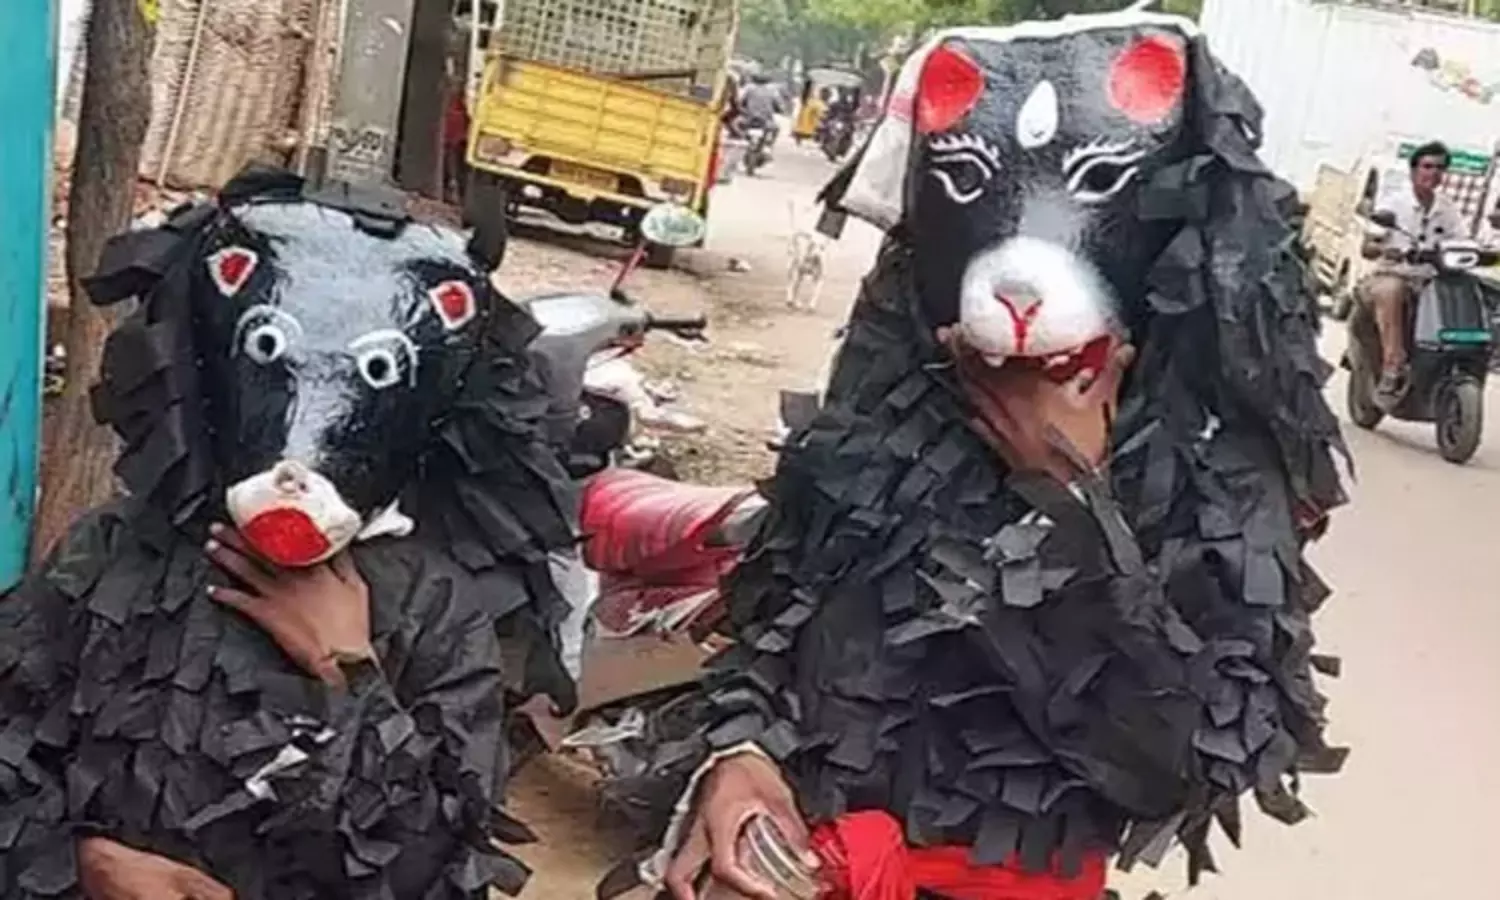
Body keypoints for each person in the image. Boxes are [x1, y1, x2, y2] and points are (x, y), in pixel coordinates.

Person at [598, 14, 1347, 900]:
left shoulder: (1217, 471)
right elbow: (778, 617)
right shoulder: (889, 409)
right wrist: (741, 754)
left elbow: (1171, 767)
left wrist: (1074, 502)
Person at [0, 167, 578, 899]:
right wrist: (85, 864)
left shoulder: (437, 609)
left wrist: (349, 670)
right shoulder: (110, 554)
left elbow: (433, 867)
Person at [1360, 141, 1466, 406]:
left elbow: (1461, 240)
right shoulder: (1394, 203)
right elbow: (1367, 247)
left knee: (1466, 289)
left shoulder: (1447, 208)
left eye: (1440, 168)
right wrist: (1386, 249)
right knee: (1391, 290)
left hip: (1429, 280)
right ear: (1414, 170)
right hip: (1391, 275)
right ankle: (1392, 365)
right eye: (1427, 166)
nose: (1434, 173)